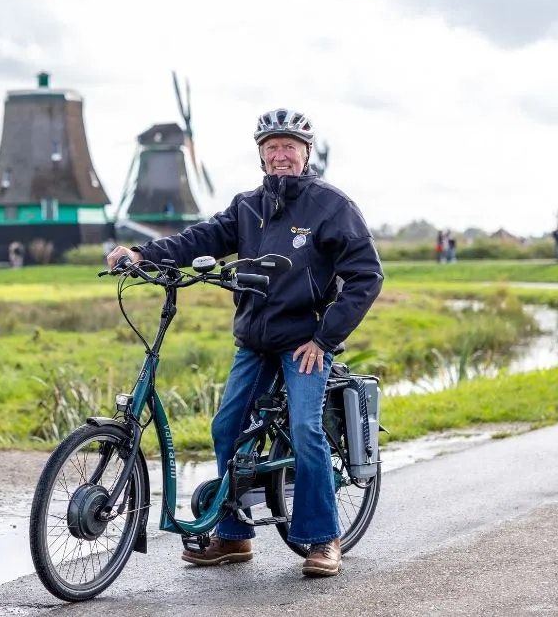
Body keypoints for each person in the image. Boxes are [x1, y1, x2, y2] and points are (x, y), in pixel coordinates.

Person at [106, 108, 384, 577]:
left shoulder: (332, 207)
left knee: (305, 430)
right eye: (272, 147)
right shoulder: (247, 207)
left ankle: (323, 538)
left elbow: (366, 276)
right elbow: (204, 235)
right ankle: (233, 538)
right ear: (260, 154)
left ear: (306, 153)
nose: (281, 155)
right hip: (255, 340)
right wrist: (142, 253)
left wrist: (324, 338)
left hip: (305, 343)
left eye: (289, 147)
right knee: (226, 428)